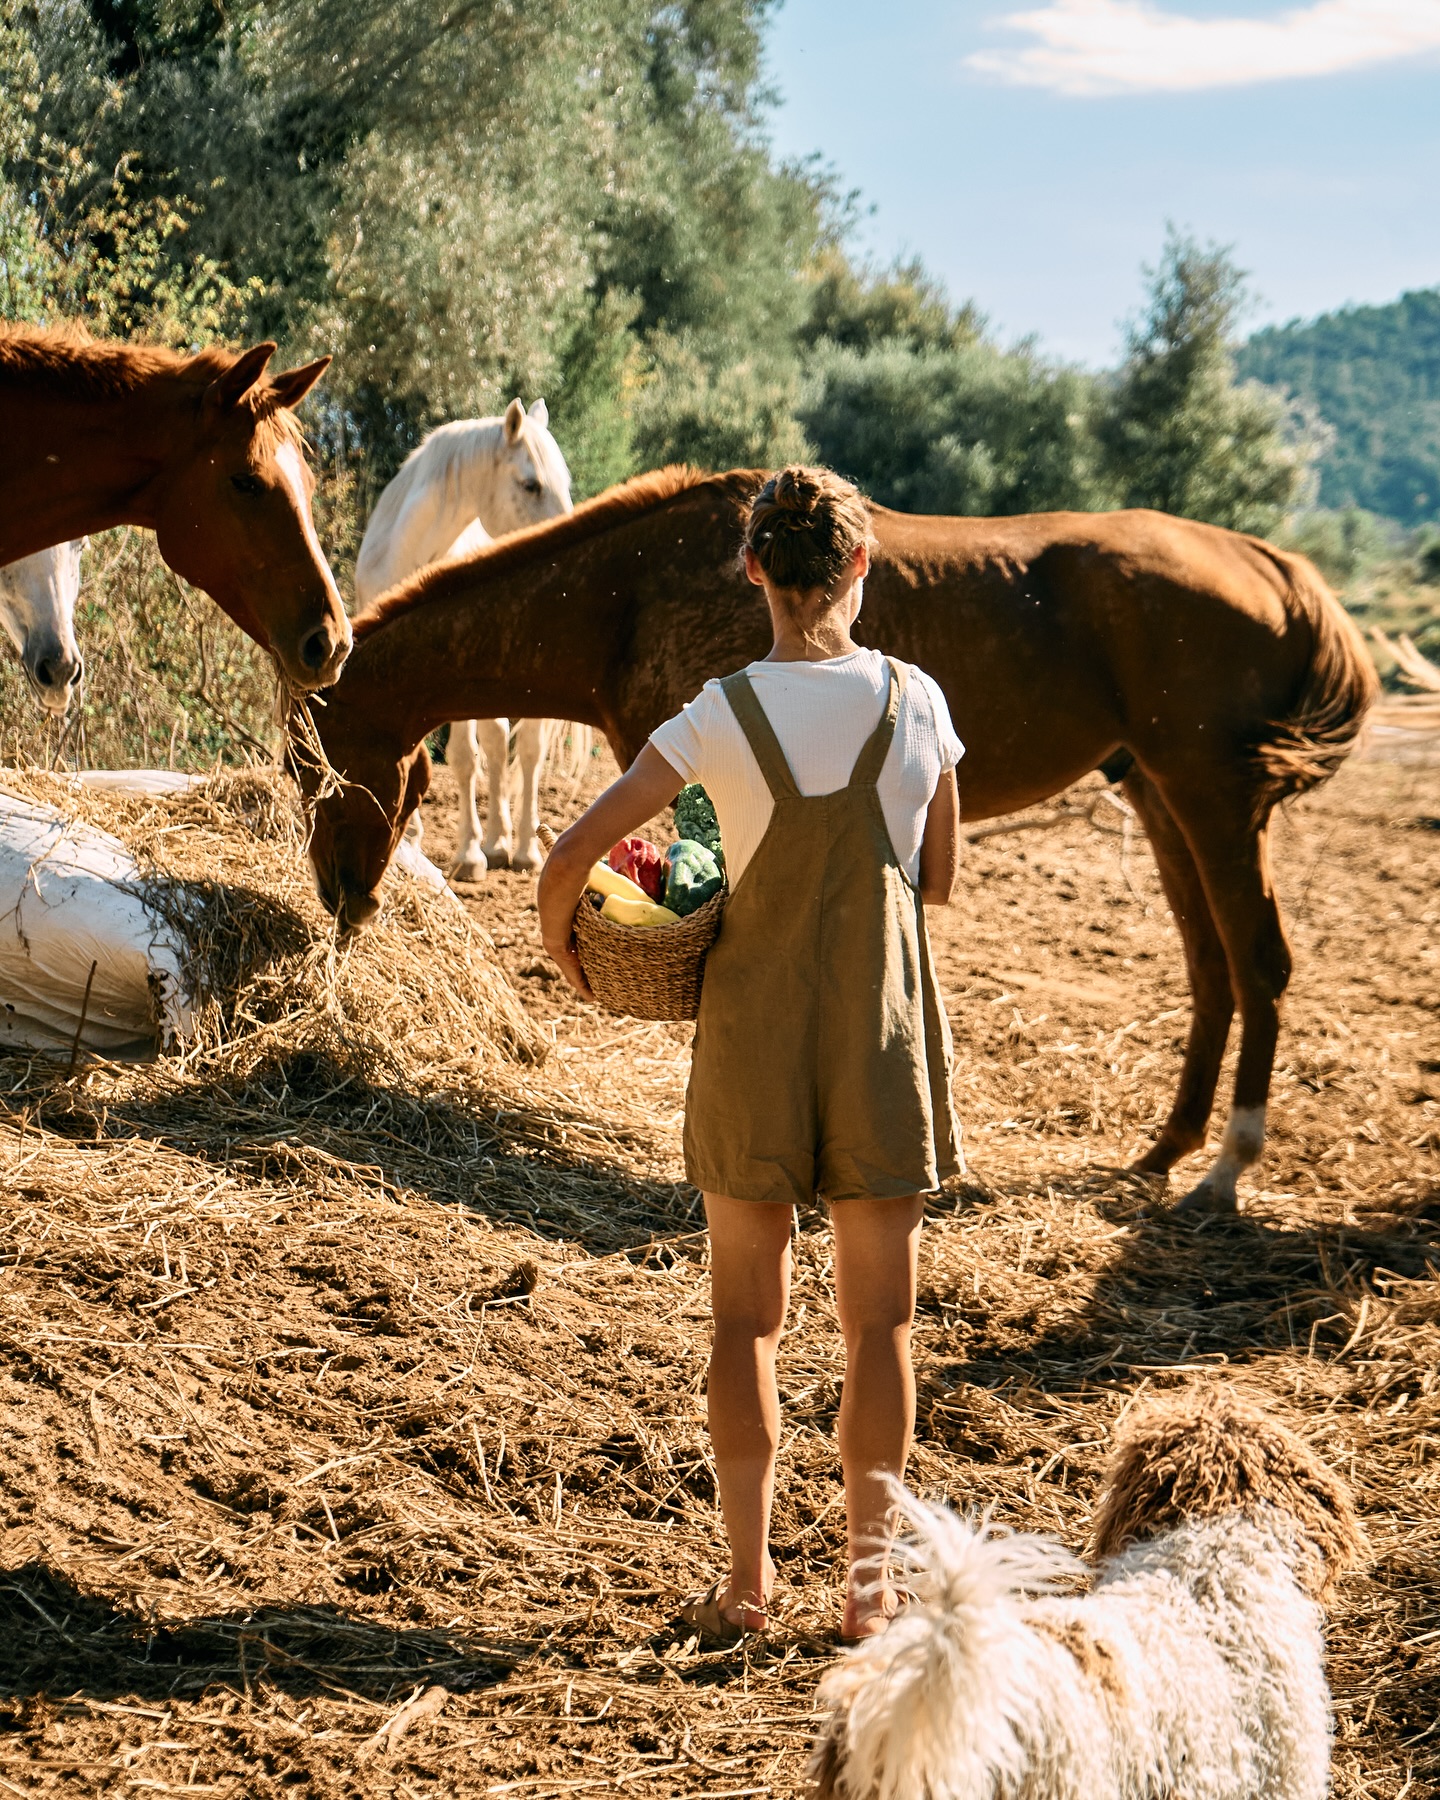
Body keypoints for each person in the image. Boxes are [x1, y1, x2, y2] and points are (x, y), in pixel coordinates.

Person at [537, 465, 963, 1642]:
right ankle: (869, 1595)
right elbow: (936, 878)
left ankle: (744, 1585)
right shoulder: (917, 704)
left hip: (749, 1038)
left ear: (752, 571)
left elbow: (571, 855)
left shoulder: (719, 713)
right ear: (862, 567)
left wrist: (571, 954)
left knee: (746, 1322)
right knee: (882, 1325)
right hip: (878, 1037)